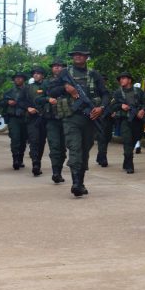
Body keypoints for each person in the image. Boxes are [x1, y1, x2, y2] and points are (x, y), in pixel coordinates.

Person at [46, 45, 110, 197]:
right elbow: (51, 91)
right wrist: (66, 88)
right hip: (71, 117)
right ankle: (75, 183)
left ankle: (80, 182)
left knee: (85, 149)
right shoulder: (64, 74)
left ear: (86, 57)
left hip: (90, 117)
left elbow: (106, 94)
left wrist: (101, 108)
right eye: (75, 54)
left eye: (81, 54)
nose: (78, 57)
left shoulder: (94, 74)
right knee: (75, 148)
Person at [36, 58, 68, 184]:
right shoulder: (45, 83)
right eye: (55, 66)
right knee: (55, 146)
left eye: (60, 66)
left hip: (67, 118)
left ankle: (59, 171)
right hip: (52, 119)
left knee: (63, 148)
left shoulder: (69, 81)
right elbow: (38, 100)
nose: (57, 68)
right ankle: (56, 172)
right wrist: (48, 99)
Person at [109, 71, 145, 174]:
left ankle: (126, 161)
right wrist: (121, 106)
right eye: (120, 78)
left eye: (123, 78)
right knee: (127, 142)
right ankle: (130, 165)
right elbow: (111, 106)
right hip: (125, 121)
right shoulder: (118, 92)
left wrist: (142, 110)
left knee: (134, 141)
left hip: (137, 121)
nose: (121, 80)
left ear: (129, 80)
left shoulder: (138, 91)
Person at [0, 72, 30, 171]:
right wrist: (8, 102)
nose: (18, 80)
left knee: (23, 140)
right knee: (15, 139)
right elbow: (0, 103)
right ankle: (15, 160)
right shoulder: (9, 91)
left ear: (23, 80)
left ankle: (20, 159)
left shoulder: (28, 91)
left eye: (20, 78)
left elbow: (32, 102)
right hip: (13, 118)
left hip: (25, 117)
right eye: (16, 78)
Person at [20, 66, 47, 176]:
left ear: (43, 75)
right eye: (34, 73)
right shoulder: (27, 87)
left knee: (41, 141)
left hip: (45, 118)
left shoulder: (48, 86)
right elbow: (20, 101)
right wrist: (28, 108)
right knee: (34, 140)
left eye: (38, 73)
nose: (35, 75)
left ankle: (38, 162)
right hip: (32, 118)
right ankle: (35, 163)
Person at [96, 75, 114, 167]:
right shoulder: (94, 92)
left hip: (108, 118)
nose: (103, 82)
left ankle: (100, 155)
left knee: (107, 137)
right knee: (102, 138)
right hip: (99, 118)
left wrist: (113, 112)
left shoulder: (109, 92)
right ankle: (103, 158)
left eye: (104, 80)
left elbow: (113, 104)